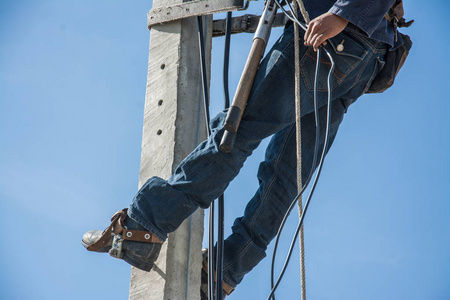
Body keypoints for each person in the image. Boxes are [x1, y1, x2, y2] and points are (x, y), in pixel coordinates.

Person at [83, 0, 406, 297]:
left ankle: (144, 226)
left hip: (331, 36)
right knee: (286, 175)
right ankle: (224, 272)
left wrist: (342, 13)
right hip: (367, 54)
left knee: (235, 134)